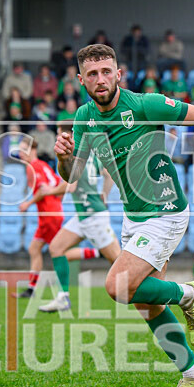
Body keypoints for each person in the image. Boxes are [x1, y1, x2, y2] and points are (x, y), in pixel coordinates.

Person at [54, 44, 194, 387]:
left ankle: (188, 294)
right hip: (133, 217)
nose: (100, 79)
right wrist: (64, 158)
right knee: (146, 302)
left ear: (118, 74)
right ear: (81, 80)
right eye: (92, 74)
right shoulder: (84, 117)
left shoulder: (145, 104)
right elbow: (73, 176)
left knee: (117, 286)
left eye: (106, 72)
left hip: (165, 211)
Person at [40, 122, 121, 312]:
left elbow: (72, 185)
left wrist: (49, 191)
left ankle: (149, 291)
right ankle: (63, 298)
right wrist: (104, 194)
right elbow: (109, 173)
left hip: (93, 216)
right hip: (84, 215)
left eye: (59, 134)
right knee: (56, 248)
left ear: (66, 135)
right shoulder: (89, 152)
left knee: (119, 262)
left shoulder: (74, 155)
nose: (58, 138)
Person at [16, 137, 67, 299]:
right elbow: (58, 184)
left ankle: (97, 251)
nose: (20, 153)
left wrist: (28, 203)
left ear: (33, 150)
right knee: (34, 249)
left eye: (23, 149)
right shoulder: (42, 165)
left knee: (59, 251)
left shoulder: (35, 167)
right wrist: (56, 203)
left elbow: (43, 189)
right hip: (48, 215)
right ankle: (31, 289)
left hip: (50, 215)